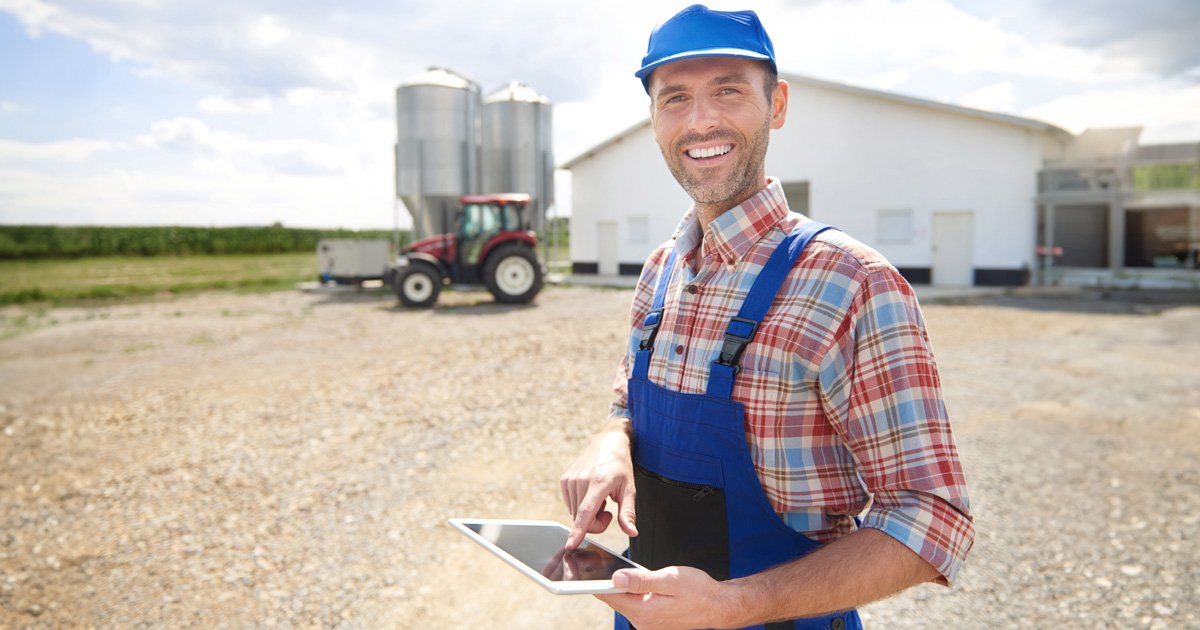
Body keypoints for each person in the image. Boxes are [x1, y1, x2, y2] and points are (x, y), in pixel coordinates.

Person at [559, 5, 975, 629]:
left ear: (776, 104)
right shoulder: (659, 272)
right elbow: (628, 402)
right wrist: (611, 438)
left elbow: (932, 519)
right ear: (653, 119)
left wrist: (736, 605)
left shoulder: (852, 283)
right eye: (674, 98)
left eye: (727, 90)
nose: (700, 120)